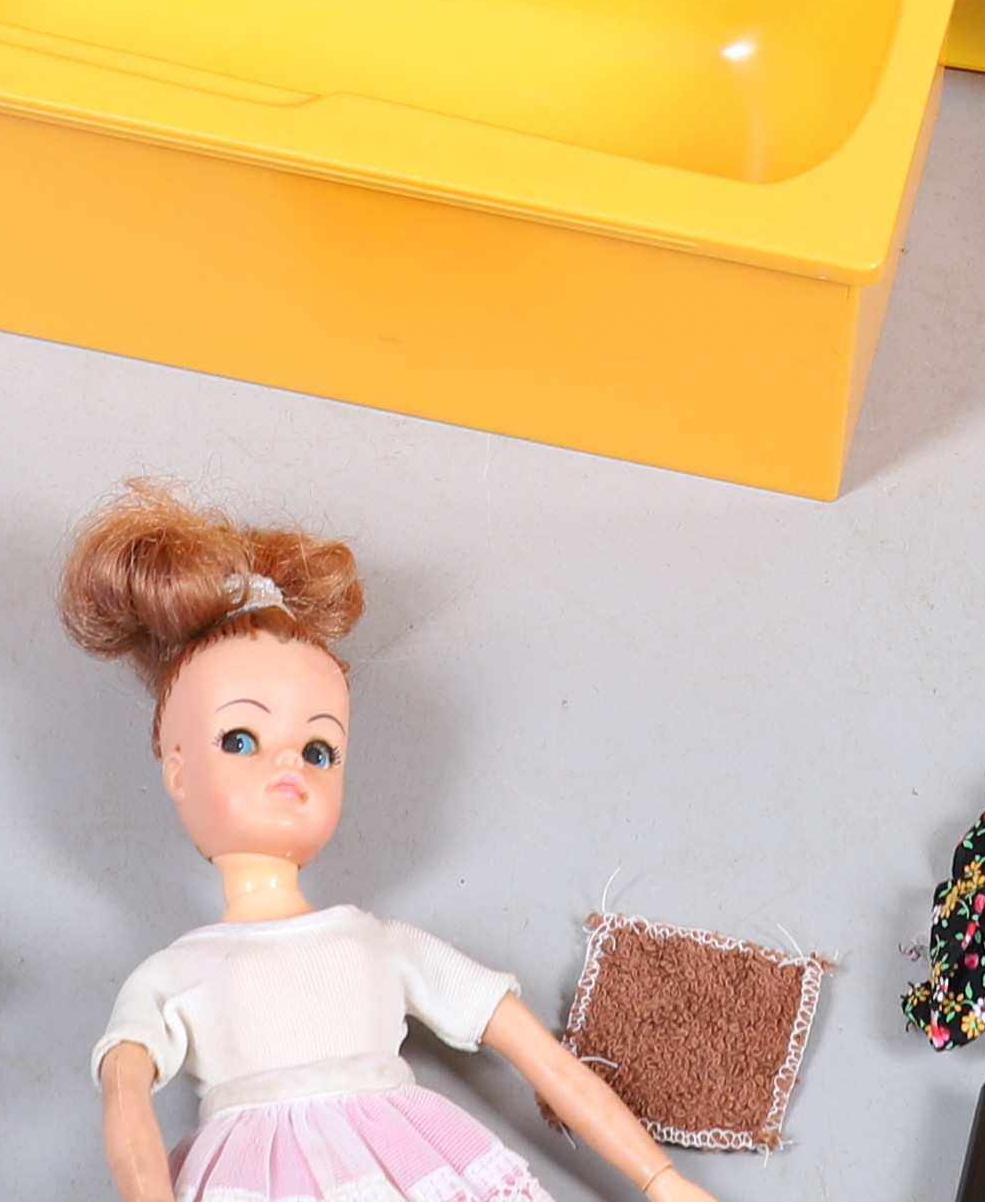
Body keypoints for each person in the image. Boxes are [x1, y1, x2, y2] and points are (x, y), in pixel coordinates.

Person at [65, 482, 713, 1202]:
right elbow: (126, 1110)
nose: (289, 765)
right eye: (241, 739)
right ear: (177, 768)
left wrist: (663, 1180)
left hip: (410, 1163)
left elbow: (548, 1064)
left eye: (319, 750)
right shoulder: (173, 977)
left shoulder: (383, 945)